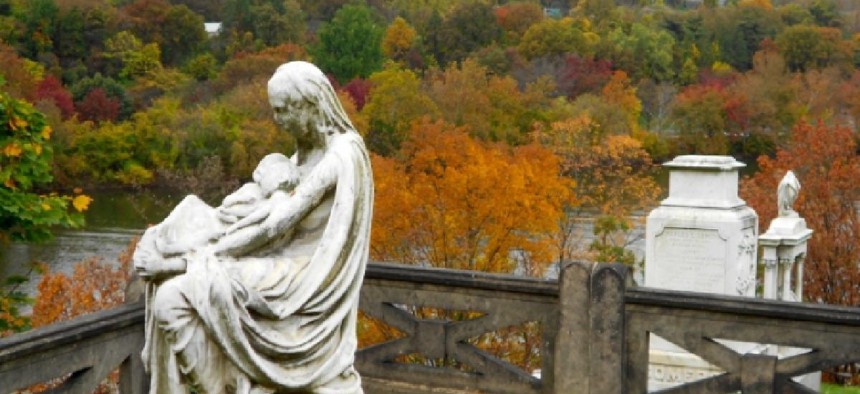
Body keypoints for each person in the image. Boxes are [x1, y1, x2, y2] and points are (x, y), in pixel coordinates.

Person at [133, 61, 373, 394]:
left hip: (305, 277)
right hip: (279, 262)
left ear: (308, 105)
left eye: (282, 111)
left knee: (174, 297)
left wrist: (183, 262)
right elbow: (257, 212)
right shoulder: (303, 155)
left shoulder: (343, 154)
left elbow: (276, 225)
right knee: (174, 289)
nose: (277, 120)